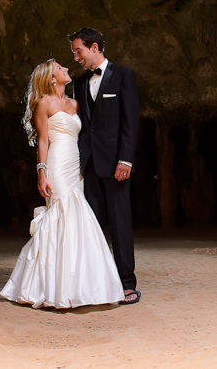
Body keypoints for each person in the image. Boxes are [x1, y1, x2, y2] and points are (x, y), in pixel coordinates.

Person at [0, 60, 124, 309]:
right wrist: (41, 173)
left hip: (75, 166)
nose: (66, 68)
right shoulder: (45, 103)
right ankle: (49, 286)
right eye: (60, 68)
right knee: (61, 214)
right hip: (56, 164)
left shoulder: (75, 103)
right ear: (51, 78)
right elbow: (43, 141)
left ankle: (79, 285)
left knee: (78, 219)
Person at [69, 27, 141, 305]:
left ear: (95, 47)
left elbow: (130, 121)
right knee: (93, 227)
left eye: (79, 51)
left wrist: (126, 159)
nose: (76, 57)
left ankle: (126, 283)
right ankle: (97, 284)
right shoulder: (78, 83)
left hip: (116, 165)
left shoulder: (124, 76)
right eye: (74, 52)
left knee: (120, 225)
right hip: (87, 166)